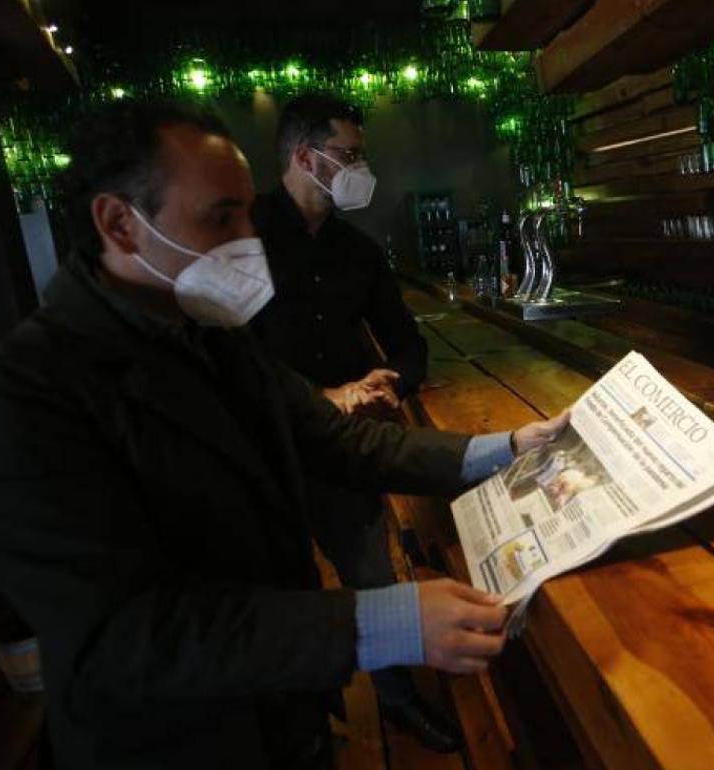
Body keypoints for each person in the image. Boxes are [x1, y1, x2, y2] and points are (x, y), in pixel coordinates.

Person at [0, 99, 568, 770]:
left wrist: (504, 448)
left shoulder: (212, 336)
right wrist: (383, 622)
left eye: (246, 210)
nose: (249, 236)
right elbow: (123, 637)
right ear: (119, 222)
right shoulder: (17, 399)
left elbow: (341, 442)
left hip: (282, 718)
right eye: (221, 216)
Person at [249, 96, 459, 751]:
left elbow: (407, 344)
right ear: (305, 157)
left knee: (372, 574)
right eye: (350, 155)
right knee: (274, 589)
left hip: (340, 447)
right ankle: (300, 722)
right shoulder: (240, 236)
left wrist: (383, 384)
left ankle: (395, 699)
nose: (361, 168)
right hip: (260, 442)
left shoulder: (357, 250)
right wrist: (320, 396)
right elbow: (218, 352)